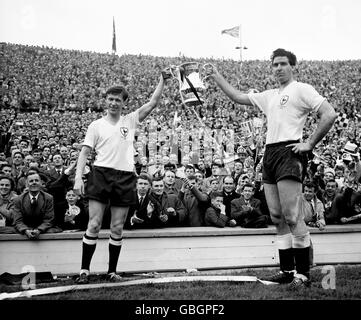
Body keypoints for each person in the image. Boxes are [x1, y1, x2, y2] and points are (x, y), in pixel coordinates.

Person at [206, 48, 337, 288]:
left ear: (292, 66)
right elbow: (238, 97)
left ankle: (303, 274)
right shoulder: (269, 95)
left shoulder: (302, 89)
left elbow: (329, 114)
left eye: (283, 64)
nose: (278, 68)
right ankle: (287, 270)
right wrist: (216, 76)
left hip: (290, 151)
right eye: (275, 64)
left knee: (292, 215)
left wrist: (309, 143)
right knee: (277, 217)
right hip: (270, 153)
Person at [73, 73, 167, 284]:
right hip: (101, 173)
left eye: (118, 100)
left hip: (125, 176)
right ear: (105, 101)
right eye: (110, 99)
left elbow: (152, 103)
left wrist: (162, 80)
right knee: (95, 224)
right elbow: (85, 153)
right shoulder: (95, 125)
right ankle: (84, 270)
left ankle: (111, 271)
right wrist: (78, 177)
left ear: (124, 103)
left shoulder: (130, 120)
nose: (114, 103)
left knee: (117, 227)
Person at [13, 172, 59, 239]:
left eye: (36, 180)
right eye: (31, 181)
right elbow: (18, 221)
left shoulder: (48, 198)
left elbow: (49, 219)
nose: (34, 183)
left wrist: (39, 230)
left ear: (40, 183)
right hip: (25, 230)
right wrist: (26, 230)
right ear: (27, 184)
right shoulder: (18, 199)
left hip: (43, 230)